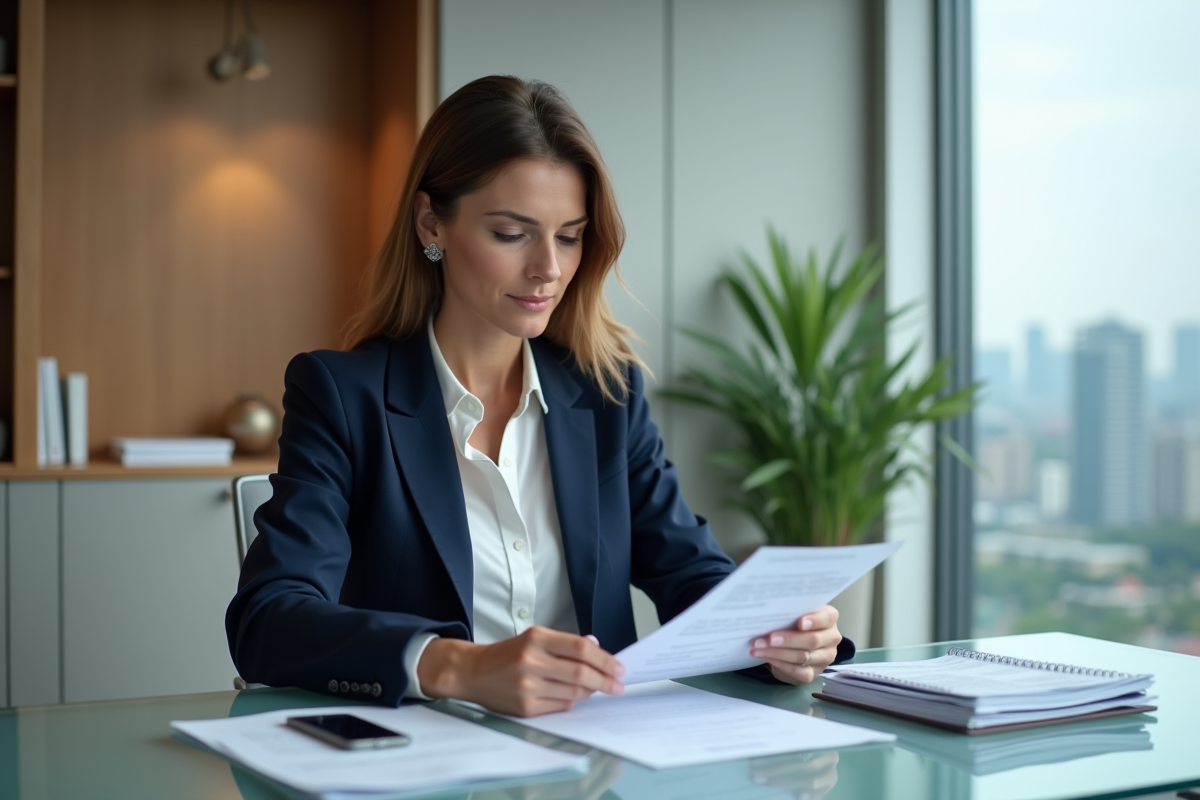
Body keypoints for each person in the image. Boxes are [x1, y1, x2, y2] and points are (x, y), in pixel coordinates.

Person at [226, 75, 851, 718]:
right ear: (430, 222)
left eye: (570, 235)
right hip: (424, 764)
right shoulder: (341, 395)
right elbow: (269, 619)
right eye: (511, 233)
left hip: (599, 762)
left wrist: (781, 636)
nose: (548, 268)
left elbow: (693, 575)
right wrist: (455, 665)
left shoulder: (608, 392)